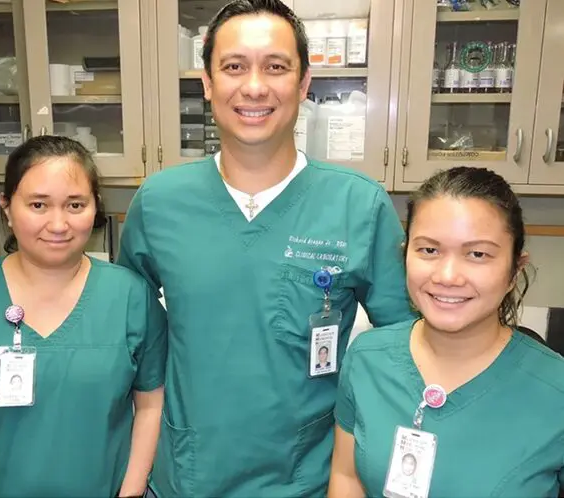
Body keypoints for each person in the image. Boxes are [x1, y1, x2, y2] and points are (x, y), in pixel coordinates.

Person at [117, 1, 413, 495]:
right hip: (187, 478)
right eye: (234, 67)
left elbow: (404, 350)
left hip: (307, 482)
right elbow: (130, 340)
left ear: (303, 84)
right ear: (208, 83)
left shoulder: (358, 205)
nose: (254, 87)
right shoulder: (160, 202)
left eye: (275, 67)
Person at [328, 166, 564, 497]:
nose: (448, 275)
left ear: (514, 270)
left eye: (478, 254)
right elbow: (347, 477)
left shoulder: (555, 391)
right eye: (429, 250)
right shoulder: (367, 359)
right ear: (405, 255)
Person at [0, 136, 167, 498]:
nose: (58, 224)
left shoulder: (131, 296)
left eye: (75, 204)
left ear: (94, 208)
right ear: (6, 207)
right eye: (38, 204)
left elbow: (150, 402)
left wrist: (132, 490)